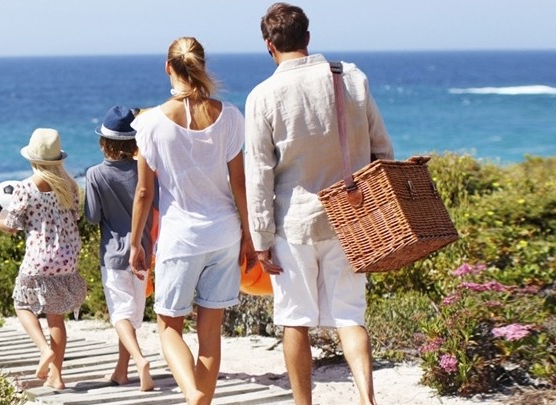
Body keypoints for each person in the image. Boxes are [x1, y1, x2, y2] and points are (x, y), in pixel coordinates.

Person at [242, 3, 395, 404]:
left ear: (268, 45)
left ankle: (303, 403)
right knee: (350, 315)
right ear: (308, 38)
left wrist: (260, 238)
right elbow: (382, 149)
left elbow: (259, 174)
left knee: (295, 320)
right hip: (351, 220)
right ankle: (366, 399)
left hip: (294, 225)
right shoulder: (352, 79)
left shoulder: (263, 96)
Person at [126, 37, 253, 404]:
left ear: (168, 67)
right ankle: (201, 398)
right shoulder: (229, 115)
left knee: (169, 328)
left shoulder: (149, 124)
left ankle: (192, 392)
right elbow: (240, 183)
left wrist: (136, 243)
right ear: (201, 64)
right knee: (210, 335)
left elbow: (144, 194)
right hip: (224, 234)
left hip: (181, 239)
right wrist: (248, 234)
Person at [0, 128, 88, 391]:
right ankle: (56, 377)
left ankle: (44, 350)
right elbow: (73, 218)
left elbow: (12, 226)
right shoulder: (70, 186)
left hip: (39, 258)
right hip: (67, 259)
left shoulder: (24, 188)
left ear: (33, 159)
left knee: (22, 304)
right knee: (56, 318)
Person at [83, 106, 155, 391]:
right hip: (144, 251)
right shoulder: (146, 170)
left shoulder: (95, 175)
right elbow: (154, 204)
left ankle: (138, 360)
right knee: (133, 314)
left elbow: (91, 216)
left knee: (120, 314)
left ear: (104, 143)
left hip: (113, 254)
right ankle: (121, 371)